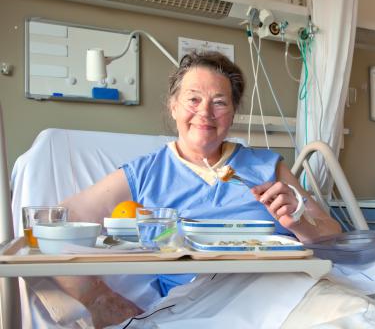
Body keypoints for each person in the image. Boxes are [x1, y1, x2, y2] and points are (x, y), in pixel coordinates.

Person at [54, 51, 342, 328]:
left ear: (232, 112)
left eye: (219, 102)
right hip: (200, 307)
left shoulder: (267, 166)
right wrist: (98, 298)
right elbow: (59, 223)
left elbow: (333, 235)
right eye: (193, 99)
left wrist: (302, 222)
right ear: (174, 105)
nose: (205, 112)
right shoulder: (144, 174)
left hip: (291, 289)